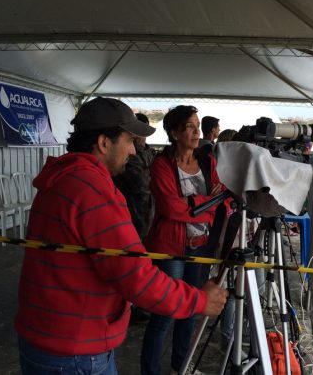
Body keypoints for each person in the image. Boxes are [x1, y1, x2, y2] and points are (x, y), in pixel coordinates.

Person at [14, 98, 227, 375]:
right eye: (129, 140)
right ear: (104, 143)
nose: (133, 149)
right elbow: (136, 277)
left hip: (47, 338)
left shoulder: (63, 177)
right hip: (75, 352)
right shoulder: (93, 191)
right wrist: (199, 300)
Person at [141, 105, 224, 375]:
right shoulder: (162, 165)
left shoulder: (207, 162)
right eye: (189, 126)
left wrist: (193, 204)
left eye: (198, 125)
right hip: (171, 249)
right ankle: (150, 371)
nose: (197, 131)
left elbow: (219, 198)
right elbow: (169, 208)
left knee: (190, 310)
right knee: (165, 313)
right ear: (174, 132)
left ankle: (181, 365)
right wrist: (205, 202)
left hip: (200, 246)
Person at [113, 112, 156, 241]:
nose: (140, 136)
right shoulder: (129, 156)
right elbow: (142, 185)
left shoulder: (150, 152)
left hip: (149, 217)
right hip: (135, 216)